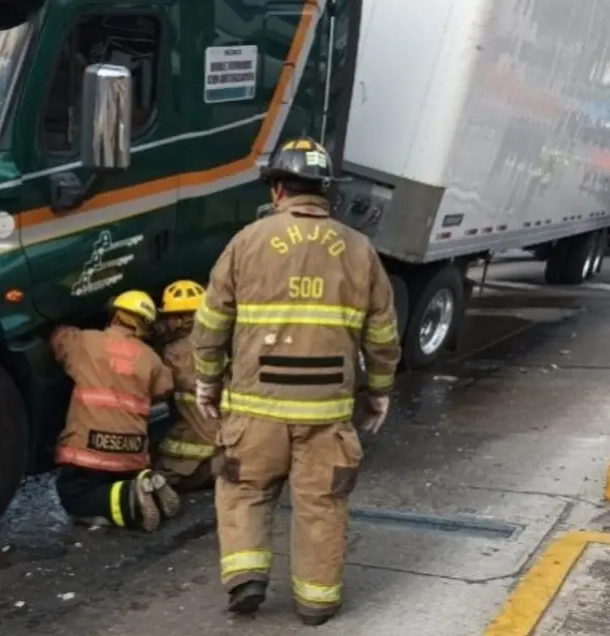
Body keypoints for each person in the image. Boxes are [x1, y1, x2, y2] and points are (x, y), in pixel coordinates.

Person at [190, 137, 402, 626]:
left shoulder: (247, 241)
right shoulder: (359, 249)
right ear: (325, 191)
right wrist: (380, 390)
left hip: (255, 408)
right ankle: (317, 601)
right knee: (321, 503)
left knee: (243, 489)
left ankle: (246, 578)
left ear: (279, 188)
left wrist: (207, 382)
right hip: (326, 414)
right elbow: (382, 333)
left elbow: (212, 321)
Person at [51, 290, 180, 532]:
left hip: (88, 453)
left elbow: (58, 337)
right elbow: (165, 388)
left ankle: (131, 498)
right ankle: (140, 482)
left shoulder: (85, 342)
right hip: (131, 456)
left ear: (114, 315)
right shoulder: (151, 359)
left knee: (74, 496)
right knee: (111, 482)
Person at [153, 280, 219, 492]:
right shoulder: (223, 341)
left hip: (197, 459)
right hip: (234, 451)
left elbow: (157, 391)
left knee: (152, 469)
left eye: (168, 317)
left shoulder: (172, 353)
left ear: (181, 320)